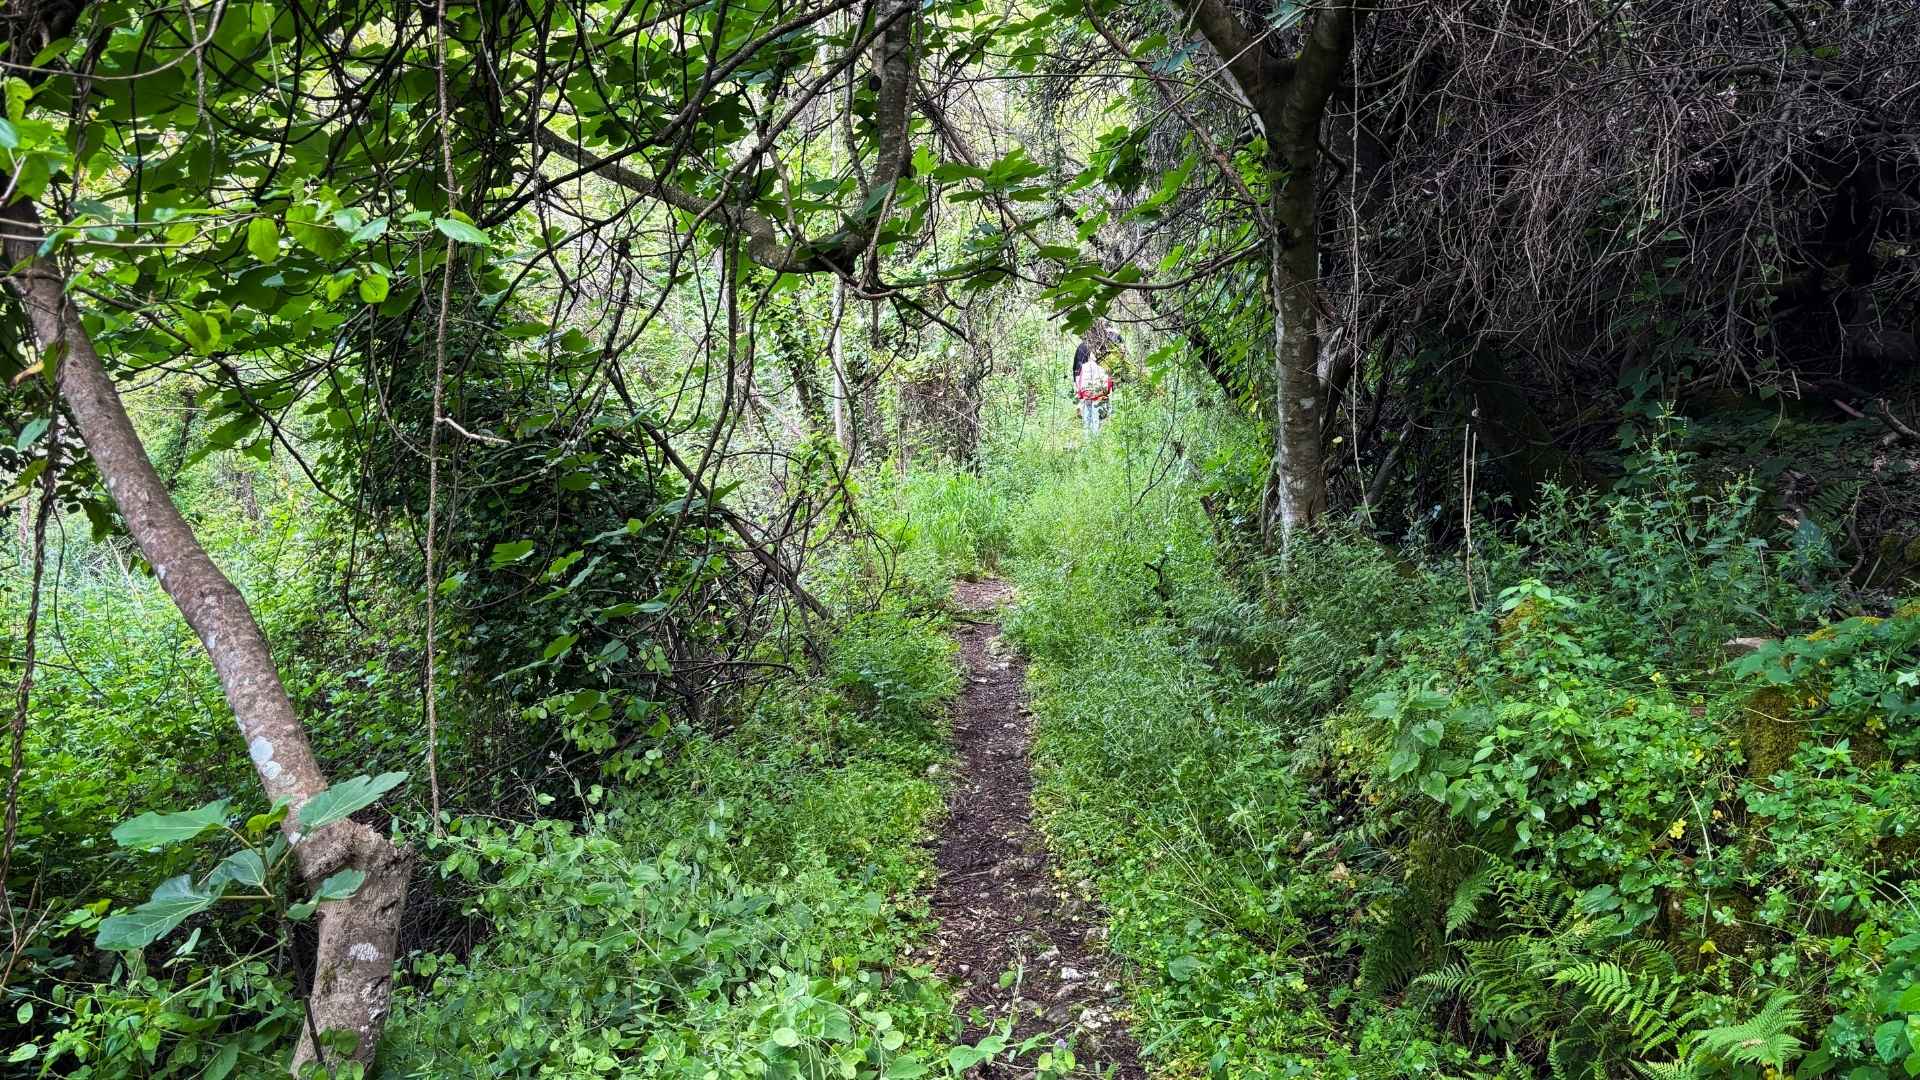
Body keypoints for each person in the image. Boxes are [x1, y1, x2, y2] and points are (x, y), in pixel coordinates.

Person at [1074, 351, 1111, 437]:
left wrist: (1082, 396)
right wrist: (1102, 394)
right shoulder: (1101, 369)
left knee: (1087, 419)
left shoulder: (1083, 367)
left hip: (1087, 397)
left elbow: (1080, 382)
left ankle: (1087, 439)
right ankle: (1095, 438)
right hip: (1097, 397)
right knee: (1096, 419)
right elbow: (1107, 385)